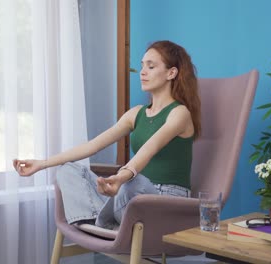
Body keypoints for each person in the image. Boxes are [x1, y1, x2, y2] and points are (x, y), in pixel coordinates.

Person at [13, 40, 201, 229]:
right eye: (142, 66)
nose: (143, 72)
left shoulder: (180, 113)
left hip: (166, 200)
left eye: (151, 66)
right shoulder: (136, 113)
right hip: (131, 198)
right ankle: (101, 221)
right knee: (67, 170)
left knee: (132, 182)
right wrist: (42, 163)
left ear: (171, 72)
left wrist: (120, 178)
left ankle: (103, 222)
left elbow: (150, 148)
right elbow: (92, 145)